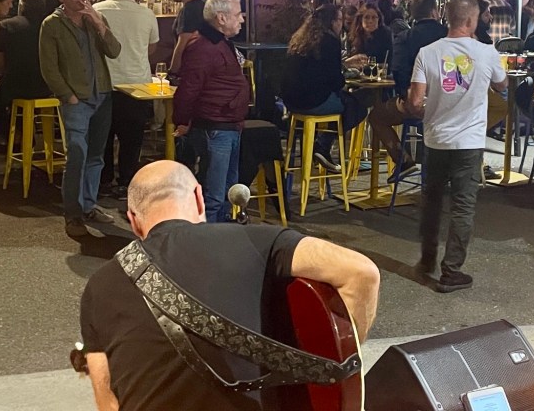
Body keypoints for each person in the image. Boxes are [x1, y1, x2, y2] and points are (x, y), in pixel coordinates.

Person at [79, 160, 381, 411]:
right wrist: (341, 361)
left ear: (133, 221)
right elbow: (361, 273)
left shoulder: (98, 285)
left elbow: (107, 402)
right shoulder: (256, 241)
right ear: (199, 198)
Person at [406, 0, 507, 292]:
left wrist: (430, 112)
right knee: (463, 206)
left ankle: (427, 260)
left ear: (447, 18)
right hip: (469, 141)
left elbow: (415, 101)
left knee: (432, 201)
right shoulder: (486, 52)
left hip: (436, 139)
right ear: (471, 20)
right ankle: (451, 270)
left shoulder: (427, 53)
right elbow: (502, 84)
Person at [39, 0, 121, 239]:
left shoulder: (95, 17)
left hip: (102, 94)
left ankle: (88, 205)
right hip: (77, 99)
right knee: (76, 155)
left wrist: (98, 22)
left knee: (96, 156)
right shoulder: (52, 25)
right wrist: (68, 95)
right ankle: (73, 214)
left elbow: (114, 51)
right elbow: (49, 68)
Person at [172, 0, 249, 224]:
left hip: (228, 124)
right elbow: (189, 88)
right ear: (221, 18)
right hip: (215, 126)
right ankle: (209, 237)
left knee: (226, 191)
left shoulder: (219, 43)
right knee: (214, 194)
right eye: (238, 14)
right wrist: (182, 121)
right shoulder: (204, 47)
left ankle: (221, 233)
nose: (242, 19)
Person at [93, 0, 159, 199]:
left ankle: (103, 181)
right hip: (136, 85)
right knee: (132, 138)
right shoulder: (147, 14)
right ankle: (126, 182)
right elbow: (151, 48)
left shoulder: (98, 10)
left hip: (106, 82)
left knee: (103, 136)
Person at [280, 4, 369, 174]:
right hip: (314, 102)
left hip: (291, 102)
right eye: (339, 19)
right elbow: (336, 82)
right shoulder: (330, 41)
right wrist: (347, 77)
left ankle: (318, 149)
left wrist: (344, 65)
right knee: (357, 106)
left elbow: (317, 69)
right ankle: (322, 147)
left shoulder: (301, 39)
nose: (341, 24)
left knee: (345, 102)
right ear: (332, 21)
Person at [370, 0, 445, 183]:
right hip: (451, 103)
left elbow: (399, 71)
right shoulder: (450, 35)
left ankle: (403, 160)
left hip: (419, 104)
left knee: (376, 116)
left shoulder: (405, 37)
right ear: (434, 12)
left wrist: (405, 95)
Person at [0, 0, 51, 103]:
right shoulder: (51, 25)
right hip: (47, 88)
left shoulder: (7, 25)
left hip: (15, 87)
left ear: (21, 6)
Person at [166, 0, 205, 74]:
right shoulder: (204, 6)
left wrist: (172, 72)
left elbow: (181, 46)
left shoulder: (189, 10)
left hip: (188, 71)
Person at [348, 1, 393, 67]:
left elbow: (388, 63)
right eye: (366, 17)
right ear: (360, 19)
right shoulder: (353, 35)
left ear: (379, 19)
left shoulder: (386, 35)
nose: (370, 21)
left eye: (374, 17)